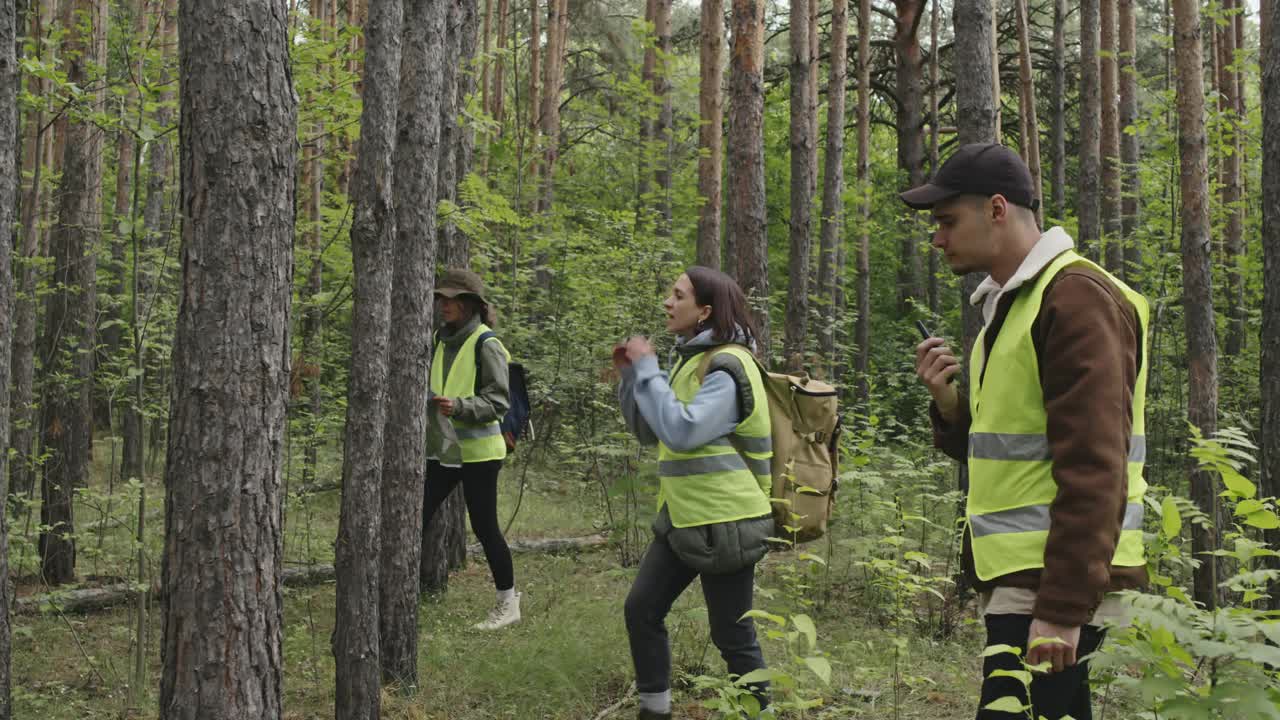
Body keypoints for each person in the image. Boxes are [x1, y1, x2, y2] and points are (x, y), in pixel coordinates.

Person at [903, 143, 1149, 720]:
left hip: (1053, 577)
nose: (937, 238)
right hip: (1028, 572)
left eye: (946, 220)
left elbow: (1096, 463)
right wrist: (947, 401)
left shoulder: (1076, 297)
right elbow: (1001, 446)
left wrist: (1063, 606)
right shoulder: (1014, 304)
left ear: (996, 209)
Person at [615, 266, 775, 720]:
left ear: (705, 311)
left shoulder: (729, 366)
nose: (668, 302)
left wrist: (648, 369)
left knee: (733, 637)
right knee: (642, 610)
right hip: (684, 518)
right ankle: (655, 712)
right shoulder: (690, 360)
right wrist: (633, 378)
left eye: (678, 295)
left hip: (727, 522)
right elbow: (652, 431)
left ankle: (757, 714)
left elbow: (683, 432)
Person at [424, 268, 519, 630]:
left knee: (485, 528)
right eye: (441, 299)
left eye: (451, 300)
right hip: (445, 451)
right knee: (416, 515)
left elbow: (498, 402)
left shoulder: (486, 342)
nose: (443, 305)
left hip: (480, 453)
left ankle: (507, 603)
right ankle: (403, 590)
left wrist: (460, 407)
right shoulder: (439, 339)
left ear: (469, 305)